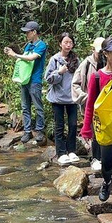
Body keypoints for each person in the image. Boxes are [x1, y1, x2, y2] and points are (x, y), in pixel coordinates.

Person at [80, 36, 112, 199]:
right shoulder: (97, 76)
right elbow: (91, 104)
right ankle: (107, 180)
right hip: (104, 125)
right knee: (106, 161)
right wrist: (86, 128)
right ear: (105, 54)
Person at [4, 21, 47, 143]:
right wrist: (11, 53)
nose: (26, 34)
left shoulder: (41, 45)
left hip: (35, 80)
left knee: (38, 106)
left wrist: (15, 54)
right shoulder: (28, 45)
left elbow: (31, 58)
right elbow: (23, 60)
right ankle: (27, 131)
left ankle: (39, 131)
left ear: (34, 32)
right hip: (25, 79)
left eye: (28, 32)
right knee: (25, 107)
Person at [45, 32, 80, 165]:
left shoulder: (76, 60)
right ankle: (61, 152)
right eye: (65, 42)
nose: (68, 45)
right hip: (57, 98)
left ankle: (71, 151)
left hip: (72, 98)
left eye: (70, 42)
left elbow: (80, 77)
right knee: (59, 125)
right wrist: (59, 72)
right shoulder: (54, 60)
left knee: (72, 125)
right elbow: (48, 78)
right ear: (60, 44)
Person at [72, 36, 104, 171]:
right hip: (91, 104)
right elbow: (75, 84)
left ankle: (105, 158)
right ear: (93, 50)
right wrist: (87, 97)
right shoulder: (86, 64)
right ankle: (96, 158)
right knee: (95, 132)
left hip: (106, 105)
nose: (102, 54)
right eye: (99, 52)